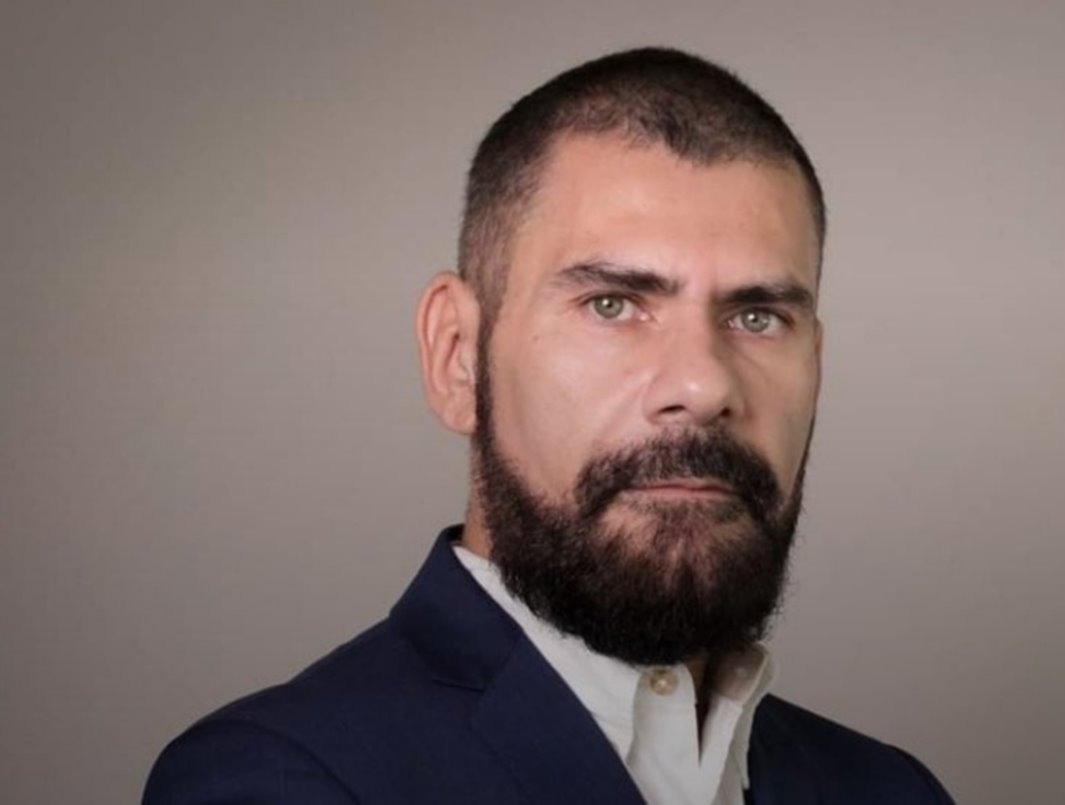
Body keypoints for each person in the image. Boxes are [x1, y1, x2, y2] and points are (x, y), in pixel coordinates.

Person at [144, 47, 954, 805]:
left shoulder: (892, 790)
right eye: (613, 304)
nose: (704, 385)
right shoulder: (274, 778)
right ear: (457, 356)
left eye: (758, 316)